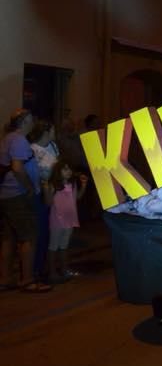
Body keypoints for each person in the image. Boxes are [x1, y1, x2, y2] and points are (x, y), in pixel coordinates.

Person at [0, 110, 50, 292]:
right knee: (28, 237)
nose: (33, 123)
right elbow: (17, 167)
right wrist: (30, 187)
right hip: (18, 194)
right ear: (23, 122)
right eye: (30, 119)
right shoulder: (19, 140)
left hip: (7, 194)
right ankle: (27, 280)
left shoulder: (8, 138)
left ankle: (5, 278)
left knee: (9, 238)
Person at [43, 161, 87, 283]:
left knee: (64, 246)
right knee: (53, 247)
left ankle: (64, 269)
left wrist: (83, 185)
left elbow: (77, 197)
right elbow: (48, 203)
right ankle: (52, 272)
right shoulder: (53, 185)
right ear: (58, 171)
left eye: (69, 169)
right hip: (57, 220)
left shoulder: (72, 184)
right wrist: (46, 189)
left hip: (70, 219)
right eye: (65, 169)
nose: (68, 172)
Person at [28, 119, 58, 281]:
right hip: (40, 195)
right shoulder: (32, 149)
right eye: (53, 130)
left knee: (50, 231)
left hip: (54, 193)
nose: (55, 133)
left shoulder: (53, 146)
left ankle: (45, 266)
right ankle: (35, 268)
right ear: (45, 132)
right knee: (39, 231)